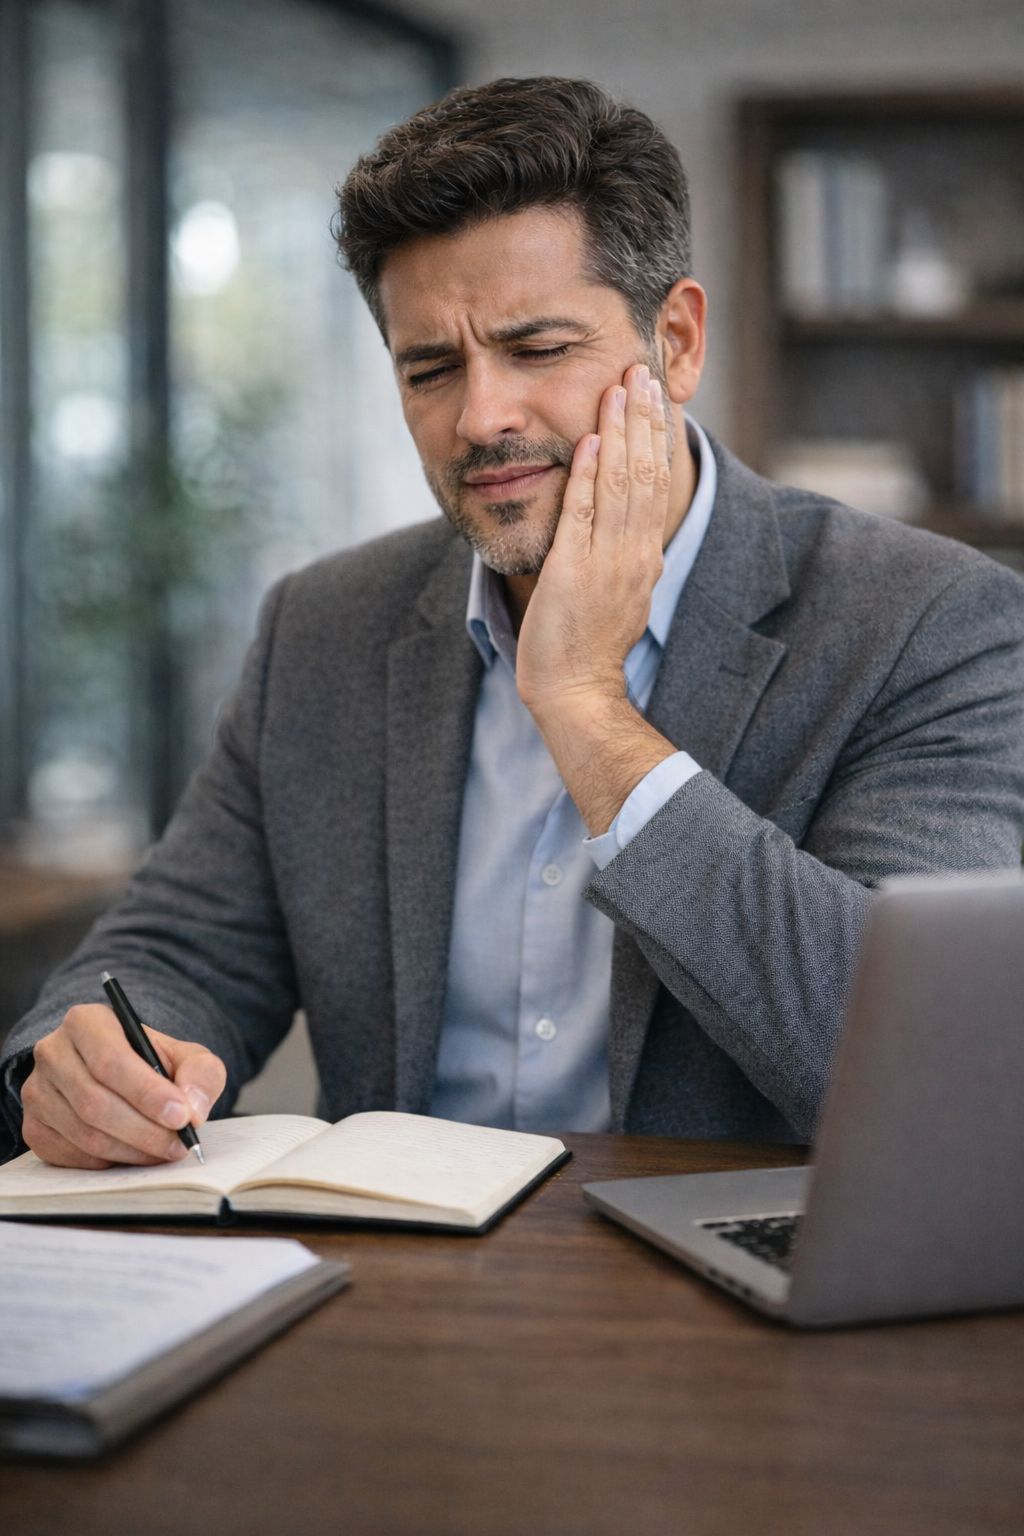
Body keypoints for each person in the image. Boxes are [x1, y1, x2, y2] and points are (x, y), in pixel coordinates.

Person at [3, 76, 1023, 1169]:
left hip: (741, 1311)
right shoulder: (324, 626)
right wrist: (95, 1061)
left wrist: (583, 705)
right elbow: (179, 945)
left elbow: (909, 1063)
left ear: (675, 342)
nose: (481, 418)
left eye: (538, 351)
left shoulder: (934, 625)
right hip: (398, 1292)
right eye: (430, 369)